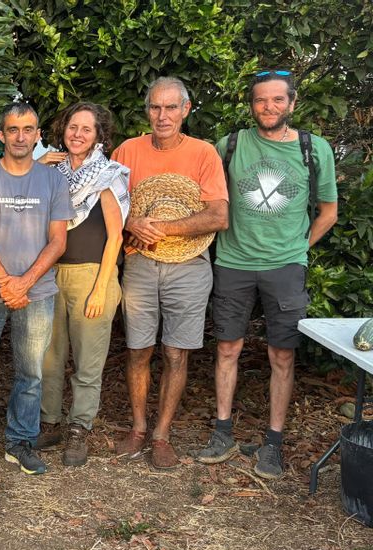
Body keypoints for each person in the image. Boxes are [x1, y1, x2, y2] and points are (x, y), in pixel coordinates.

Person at [198, 70, 338, 478]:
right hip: (233, 263)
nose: (269, 107)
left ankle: (272, 443)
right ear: (251, 105)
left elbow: (328, 212)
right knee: (227, 348)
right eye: (261, 100)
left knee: (282, 353)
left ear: (292, 103)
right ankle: (222, 431)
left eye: (278, 100)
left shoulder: (316, 150)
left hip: (285, 268)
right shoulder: (231, 145)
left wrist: (298, 249)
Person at [111, 76, 229, 469]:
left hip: (190, 267)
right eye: (155, 107)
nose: (163, 116)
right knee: (138, 349)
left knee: (176, 351)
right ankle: (139, 427)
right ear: (147, 111)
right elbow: (106, 205)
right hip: (141, 263)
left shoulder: (203, 153)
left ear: (186, 110)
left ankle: (162, 434)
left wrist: (162, 227)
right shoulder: (127, 151)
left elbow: (219, 215)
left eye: (171, 107)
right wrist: (131, 223)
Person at [0, 101, 72, 476]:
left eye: (28, 130)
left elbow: (57, 241)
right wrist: (7, 283)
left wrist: (25, 282)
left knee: (31, 373)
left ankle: (20, 441)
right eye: (13, 130)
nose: (20, 137)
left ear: (38, 135)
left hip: (36, 293)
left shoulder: (53, 180)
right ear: (2, 135)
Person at [36, 102, 130, 466]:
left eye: (86, 129)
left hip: (92, 274)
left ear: (99, 135)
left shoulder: (107, 175)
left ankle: (80, 427)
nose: (77, 134)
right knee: (49, 355)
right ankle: (50, 421)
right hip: (50, 272)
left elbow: (116, 237)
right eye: (73, 127)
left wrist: (101, 287)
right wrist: (34, 169)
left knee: (88, 359)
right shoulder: (51, 172)